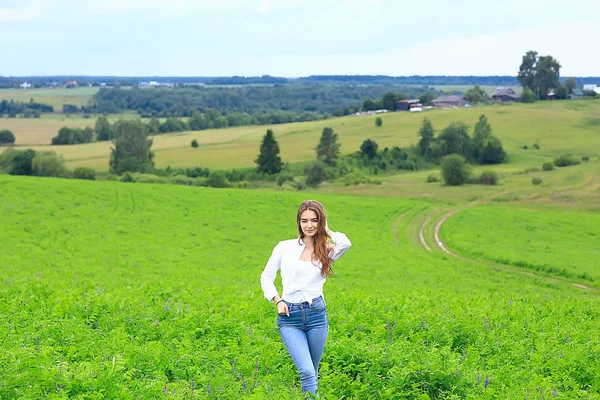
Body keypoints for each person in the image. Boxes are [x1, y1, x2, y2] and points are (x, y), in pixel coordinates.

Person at [260, 200, 352, 396]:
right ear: (298, 223)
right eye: (304, 220)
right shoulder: (284, 247)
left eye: (314, 220)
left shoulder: (327, 251)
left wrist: (327, 231)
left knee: (313, 373)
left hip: (316, 316)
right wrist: (277, 300)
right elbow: (266, 277)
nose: (309, 225)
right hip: (289, 317)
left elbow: (346, 243)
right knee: (307, 372)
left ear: (321, 222)